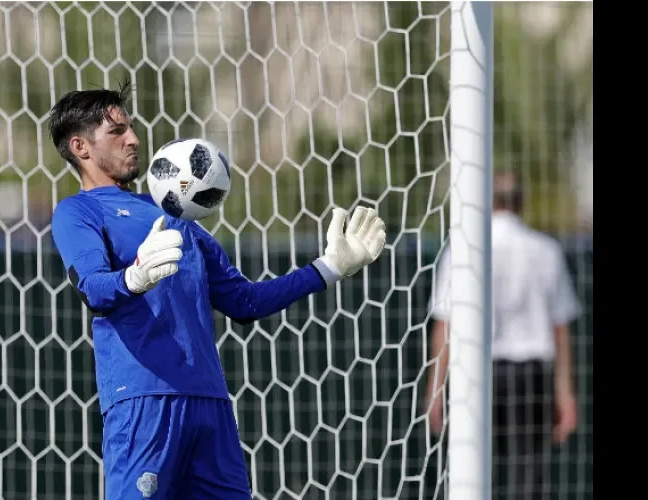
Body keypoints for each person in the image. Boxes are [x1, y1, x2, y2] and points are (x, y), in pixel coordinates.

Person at [47, 82, 387, 500]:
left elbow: (244, 302)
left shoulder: (174, 214)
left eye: (131, 128)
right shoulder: (77, 212)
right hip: (144, 401)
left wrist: (329, 267)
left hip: (210, 404)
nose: (134, 139)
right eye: (117, 132)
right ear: (80, 147)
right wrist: (134, 277)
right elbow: (94, 288)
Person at [424, 172, 580, 500]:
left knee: (473, 470)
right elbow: (560, 330)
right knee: (530, 471)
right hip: (531, 374)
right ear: (521, 203)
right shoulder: (546, 250)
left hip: (478, 375)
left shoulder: (463, 250)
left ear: (486, 203)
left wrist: (435, 390)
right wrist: (564, 392)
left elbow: (445, 326)